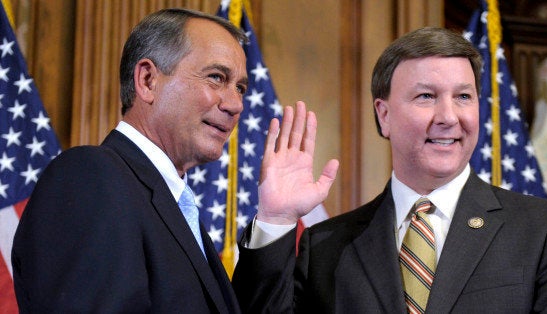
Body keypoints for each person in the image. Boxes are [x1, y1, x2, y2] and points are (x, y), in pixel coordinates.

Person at [233, 27, 547, 313]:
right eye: (426, 96)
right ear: (384, 114)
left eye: (463, 96)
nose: (448, 117)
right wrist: (276, 218)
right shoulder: (326, 246)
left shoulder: (545, 231)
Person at [11, 8, 338, 313]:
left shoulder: (175, 206)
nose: (236, 104)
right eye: (216, 77)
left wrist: (275, 219)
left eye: (240, 87)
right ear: (148, 81)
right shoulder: (89, 178)